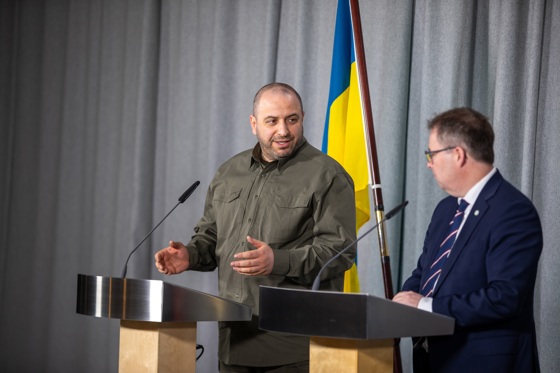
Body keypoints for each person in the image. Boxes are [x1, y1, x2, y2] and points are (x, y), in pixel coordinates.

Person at [154, 82, 357, 372]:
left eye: (292, 119)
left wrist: (278, 260)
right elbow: (212, 237)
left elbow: (339, 252)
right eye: (272, 121)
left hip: (296, 345)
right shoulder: (229, 173)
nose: (284, 131)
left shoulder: (327, 175)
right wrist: (191, 255)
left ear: (303, 118)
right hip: (234, 339)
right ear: (254, 124)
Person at [393, 107, 543, 372]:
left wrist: (426, 306)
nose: (428, 163)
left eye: (431, 154)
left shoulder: (513, 211)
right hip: (431, 361)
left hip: (483, 363)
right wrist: (400, 305)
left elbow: (504, 296)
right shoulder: (445, 210)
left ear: (458, 154)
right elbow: (423, 274)